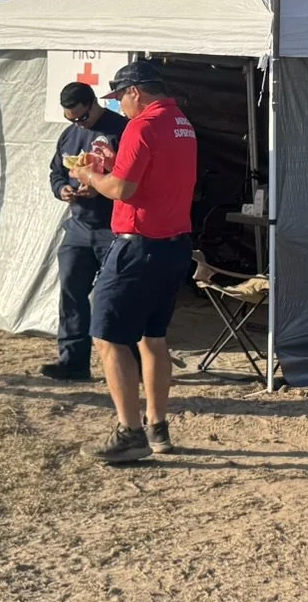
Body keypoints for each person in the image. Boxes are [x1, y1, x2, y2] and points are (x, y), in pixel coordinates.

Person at [67, 59, 198, 464]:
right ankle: (158, 427)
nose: (120, 106)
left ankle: (130, 432)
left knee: (107, 336)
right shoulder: (183, 124)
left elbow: (123, 189)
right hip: (174, 242)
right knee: (152, 337)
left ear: (134, 92)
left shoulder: (142, 126)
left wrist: (90, 177)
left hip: (139, 244)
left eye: (120, 98)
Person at [42, 80, 127, 381]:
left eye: (82, 117)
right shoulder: (69, 136)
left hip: (113, 228)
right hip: (78, 226)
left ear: (94, 104)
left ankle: (125, 367)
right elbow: (56, 173)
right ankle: (73, 362)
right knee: (71, 293)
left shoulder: (121, 130)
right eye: (71, 119)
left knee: (115, 298)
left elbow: (129, 180)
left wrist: (100, 189)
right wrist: (62, 189)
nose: (78, 123)